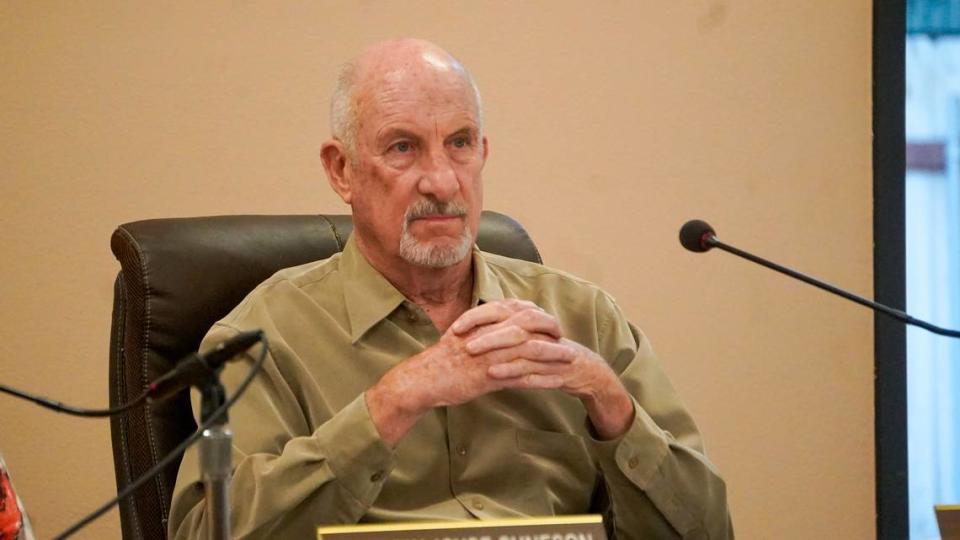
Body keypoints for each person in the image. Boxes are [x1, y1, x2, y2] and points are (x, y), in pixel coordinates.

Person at [168, 38, 732, 540]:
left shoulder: (582, 317)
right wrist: (390, 403)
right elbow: (203, 533)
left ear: (482, 153)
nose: (441, 181)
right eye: (402, 148)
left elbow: (708, 531)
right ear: (341, 170)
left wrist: (612, 405)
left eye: (459, 143)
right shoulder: (265, 337)